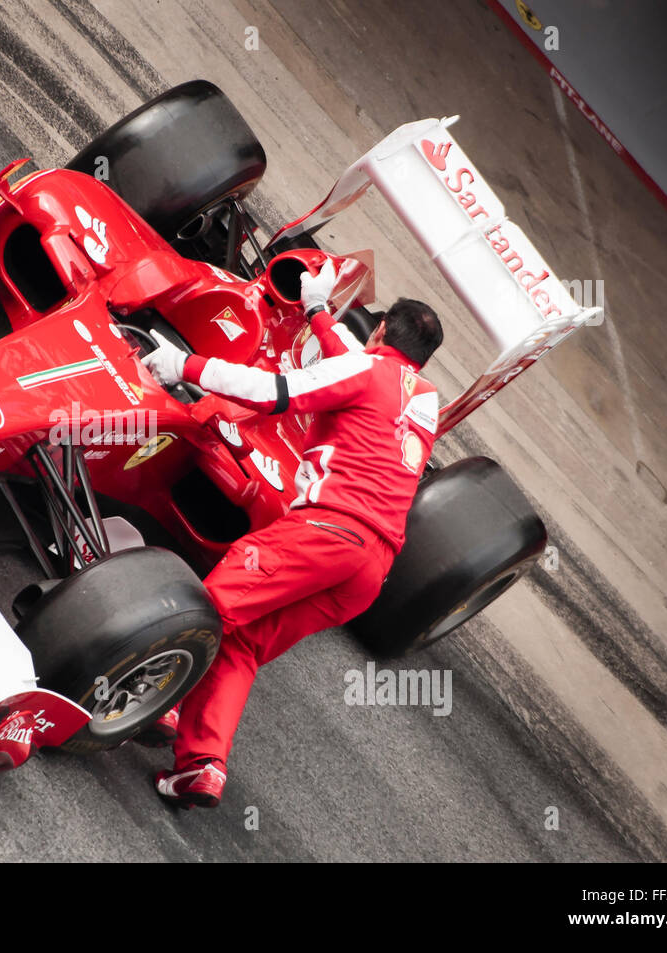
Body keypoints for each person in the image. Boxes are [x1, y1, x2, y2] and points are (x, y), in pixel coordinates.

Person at [138, 259, 444, 808]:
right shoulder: (425, 399)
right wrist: (318, 311)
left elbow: (271, 390)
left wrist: (185, 364)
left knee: (207, 607)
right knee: (241, 641)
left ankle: (134, 691)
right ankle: (201, 767)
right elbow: (355, 373)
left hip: (326, 531)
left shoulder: (367, 369)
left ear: (378, 333)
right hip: (369, 571)